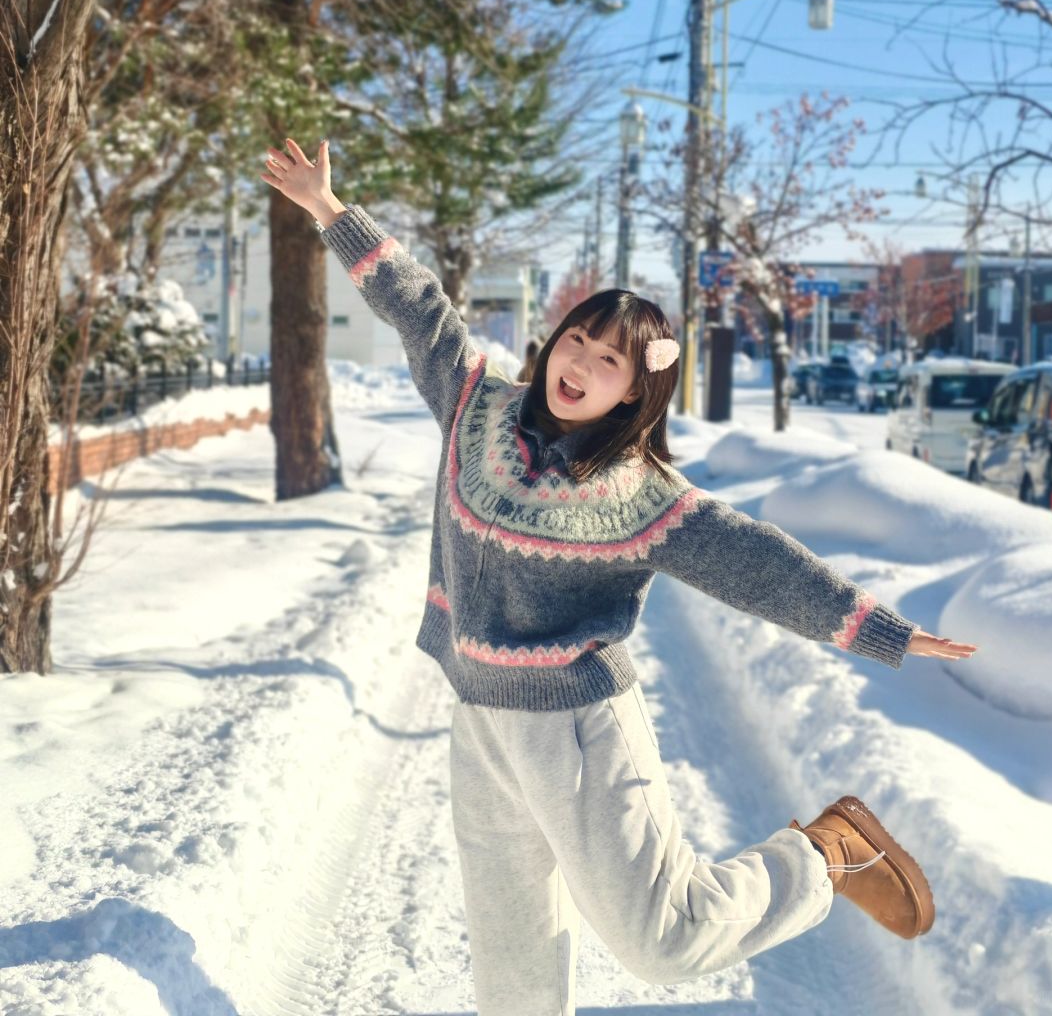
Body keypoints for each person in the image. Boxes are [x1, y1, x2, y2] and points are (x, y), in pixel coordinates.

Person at [262, 138, 978, 1016]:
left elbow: (756, 562)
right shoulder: (475, 403)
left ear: (634, 393)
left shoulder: (641, 497)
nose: (583, 365)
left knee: (664, 941)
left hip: (578, 730)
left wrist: (878, 628)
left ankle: (827, 852)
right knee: (514, 969)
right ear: (553, 341)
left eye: (611, 363)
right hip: (480, 720)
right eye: (579, 340)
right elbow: (421, 311)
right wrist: (330, 210)